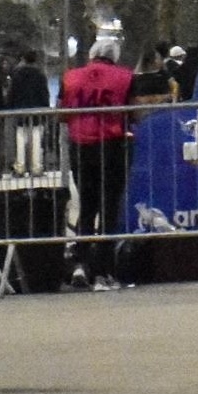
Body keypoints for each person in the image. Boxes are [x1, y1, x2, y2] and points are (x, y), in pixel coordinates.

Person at [60, 35, 135, 289]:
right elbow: (132, 113)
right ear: (114, 57)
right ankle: (104, 272)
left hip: (80, 147)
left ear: (91, 55)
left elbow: (61, 113)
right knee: (109, 209)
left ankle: (80, 266)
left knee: (87, 206)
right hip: (111, 147)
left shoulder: (70, 77)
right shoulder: (125, 77)